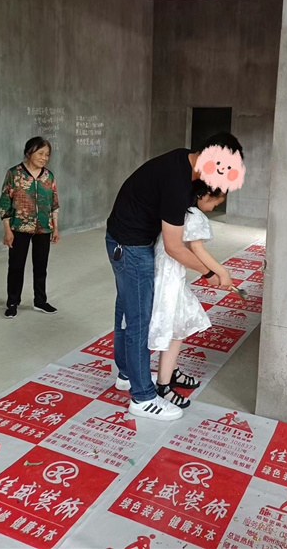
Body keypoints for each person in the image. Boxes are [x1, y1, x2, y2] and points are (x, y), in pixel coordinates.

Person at [106, 132, 244, 421]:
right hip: (130, 246)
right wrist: (209, 272)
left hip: (126, 237)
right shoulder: (177, 183)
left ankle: (127, 374)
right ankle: (143, 397)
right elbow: (173, 247)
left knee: (127, 311)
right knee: (139, 320)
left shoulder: (184, 163)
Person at [149, 180, 233, 408]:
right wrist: (221, 272)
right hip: (169, 279)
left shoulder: (181, 209)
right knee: (176, 329)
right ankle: (163, 384)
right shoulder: (194, 216)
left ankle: (170, 371)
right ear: (205, 195)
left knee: (177, 326)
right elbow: (197, 249)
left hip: (164, 273)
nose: (215, 207)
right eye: (216, 202)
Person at [0, 137, 60, 319]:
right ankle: (12, 302)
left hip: (44, 228)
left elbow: (54, 203)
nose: (44, 158)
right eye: (40, 153)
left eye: (47, 155)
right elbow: (4, 203)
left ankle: (40, 301)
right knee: (16, 267)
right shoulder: (14, 174)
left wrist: (55, 227)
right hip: (19, 228)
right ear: (29, 153)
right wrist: (7, 230)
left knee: (41, 266)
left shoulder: (49, 176)